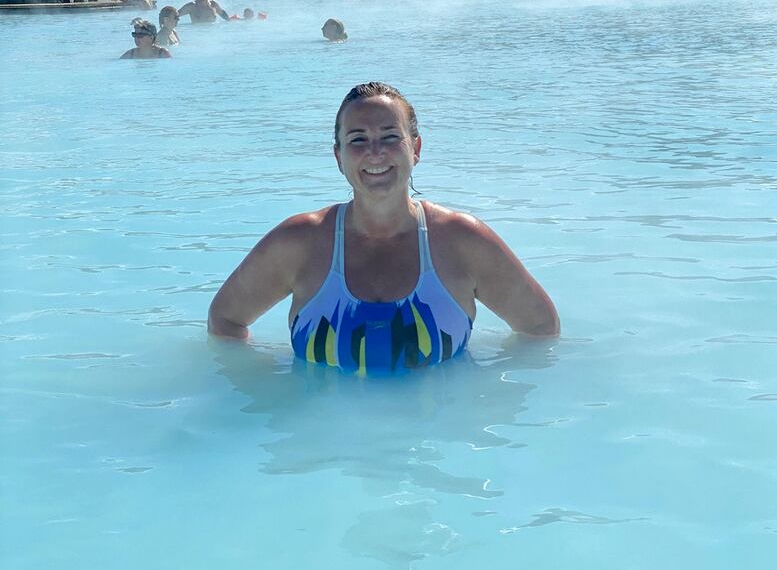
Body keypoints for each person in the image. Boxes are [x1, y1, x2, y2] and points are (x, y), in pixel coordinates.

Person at [208, 83, 559, 372]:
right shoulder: (298, 243)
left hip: (437, 449)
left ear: (416, 148)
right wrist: (269, 391)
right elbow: (225, 320)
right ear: (338, 157)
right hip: (320, 451)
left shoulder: (462, 241)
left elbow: (540, 330)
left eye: (390, 137)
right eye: (358, 140)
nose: (375, 152)